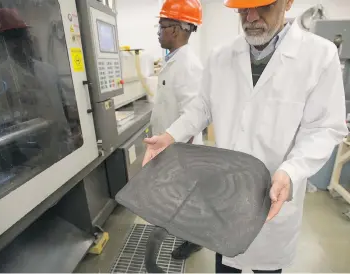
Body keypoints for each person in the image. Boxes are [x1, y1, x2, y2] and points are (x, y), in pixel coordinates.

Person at [143, 0, 348, 273]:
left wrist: (291, 171)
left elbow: (324, 128)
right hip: (227, 197)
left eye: (262, 5)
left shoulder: (318, 56)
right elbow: (202, 107)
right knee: (226, 263)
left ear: (288, 3)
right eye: (243, 8)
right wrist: (170, 135)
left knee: (267, 266)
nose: (250, 17)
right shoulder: (220, 56)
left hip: (274, 197)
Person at [148, 0, 205, 261]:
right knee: (179, 197)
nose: (158, 32)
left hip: (181, 152)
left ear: (175, 29)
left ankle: (194, 240)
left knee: (187, 198)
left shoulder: (188, 66)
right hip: (170, 147)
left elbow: (193, 116)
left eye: (161, 26)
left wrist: (178, 155)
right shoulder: (174, 60)